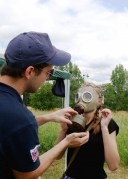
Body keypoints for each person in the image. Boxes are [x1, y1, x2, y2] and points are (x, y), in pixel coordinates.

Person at [0, 31, 89, 179]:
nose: (48, 77)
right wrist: (65, 143)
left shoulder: (11, 112)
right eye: (49, 72)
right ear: (30, 71)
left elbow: (8, 128)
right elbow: (26, 175)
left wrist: (49, 117)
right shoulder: (20, 118)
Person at [56, 82, 120, 179]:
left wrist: (104, 128)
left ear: (99, 101)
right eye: (79, 96)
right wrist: (64, 129)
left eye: (87, 96)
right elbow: (57, 156)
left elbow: (113, 165)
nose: (81, 100)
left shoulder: (107, 123)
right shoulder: (72, 122)